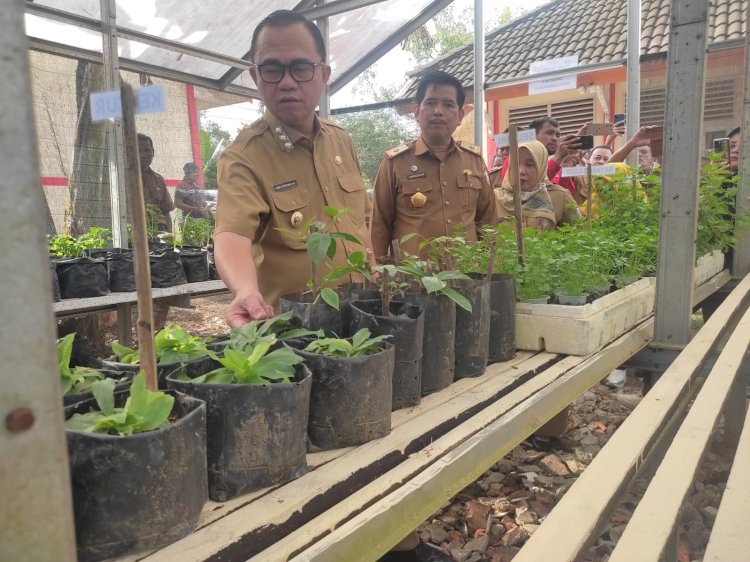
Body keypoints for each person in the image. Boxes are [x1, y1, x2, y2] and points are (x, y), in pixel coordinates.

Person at [214, 10, 375, 327]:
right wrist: (244, 289)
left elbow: (361, 222)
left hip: (364, 319)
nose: (287, 82)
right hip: (297, 333)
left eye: (301, 68)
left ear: (324, 75)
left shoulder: (341, 141)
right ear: (255, 76)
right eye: (272, 69)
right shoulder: (245, 156)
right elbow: (232, 237)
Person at [370, 70, 496, 261]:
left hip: (468, 278)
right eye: (430, 103)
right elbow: (379, 226)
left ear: (461, 115)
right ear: (417, 112)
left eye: (448, 104)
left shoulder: (474, 161)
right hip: (413, 282)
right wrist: (376, 274)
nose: (438, 111)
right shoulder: (395, 163)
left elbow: (488, 222)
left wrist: (492, 270)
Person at [495, 140, 578, 230]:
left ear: (541, 166)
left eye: (529, 165)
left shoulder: (560, 196)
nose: (521, 171)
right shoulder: (494, 198)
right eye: (516, 164)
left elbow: (579, 235)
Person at [138, 133, 173, 232]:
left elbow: (166, 211)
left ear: (153, 153)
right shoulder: (122, 179)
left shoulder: (158, 179)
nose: (143, 154)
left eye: (147, 150)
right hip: (132, 238)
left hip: (157, 237)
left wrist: (169, 238)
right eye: (138, 151)